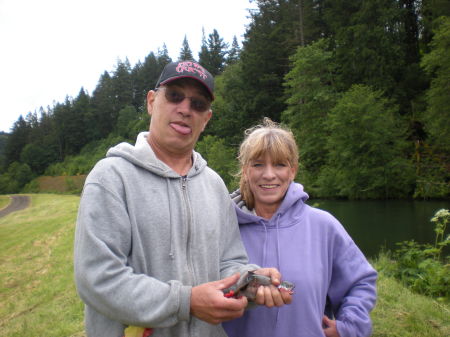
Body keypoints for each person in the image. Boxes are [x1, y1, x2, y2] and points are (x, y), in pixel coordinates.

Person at [74, 61, 291, 337]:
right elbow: (97, 279)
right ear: (152, 102)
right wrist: (187, 301)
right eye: (175, 96)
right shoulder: (110, 177)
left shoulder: (213, 184)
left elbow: (229, 262)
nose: (186, 109)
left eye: (198, 104)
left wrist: (251, 282)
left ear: (206, 119)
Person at [222, 118, 377, 337]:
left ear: (292, 171)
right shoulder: (222, 227)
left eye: (279, 164)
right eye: (258, 164)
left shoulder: (324, 226)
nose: (268, 174)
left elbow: (360, 282)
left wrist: (348, 327)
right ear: (245, 171)